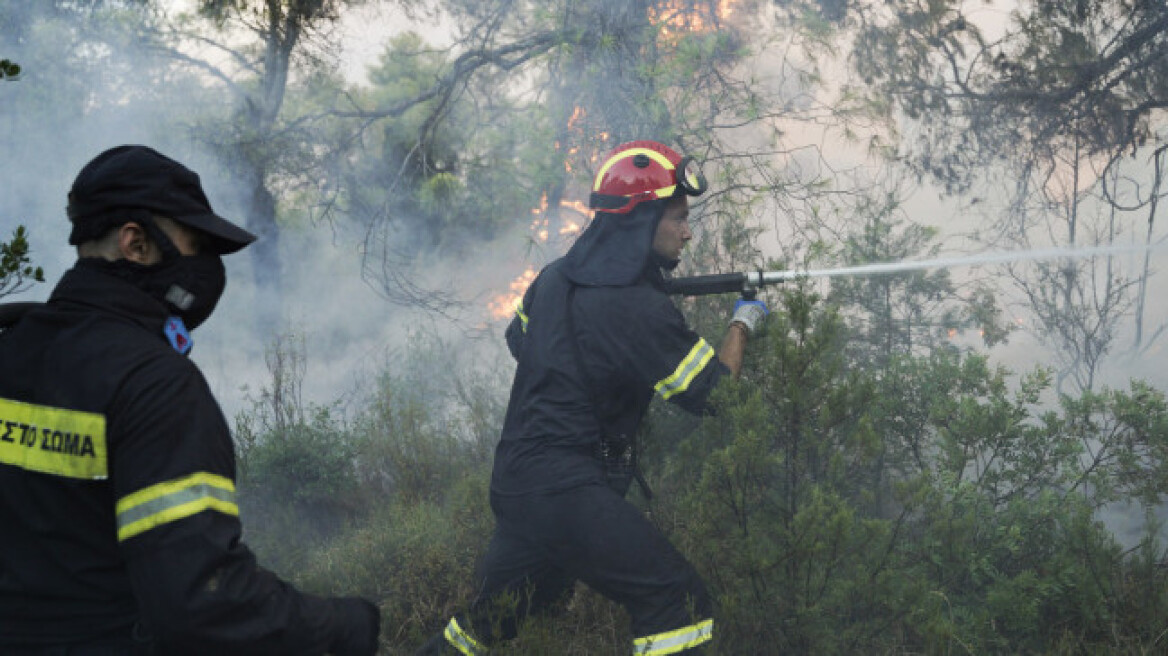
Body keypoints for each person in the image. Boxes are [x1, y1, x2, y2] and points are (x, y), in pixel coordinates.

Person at [0, 145, 381, 655]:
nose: (204, 267)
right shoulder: (155, 385)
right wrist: (345, 627)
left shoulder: (13, 344)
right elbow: (201, 604)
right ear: (136, 243)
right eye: (194, 243)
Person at [417, 140, 767, 655]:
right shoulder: (637, 310)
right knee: (677, 601)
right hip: (564, 490)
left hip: (517, 484)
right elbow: (717, 397)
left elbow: (520, 340)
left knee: (489, 623)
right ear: (639, 221)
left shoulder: (555, 277)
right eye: (678, 218)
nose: (689, 231)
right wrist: (745, 320)